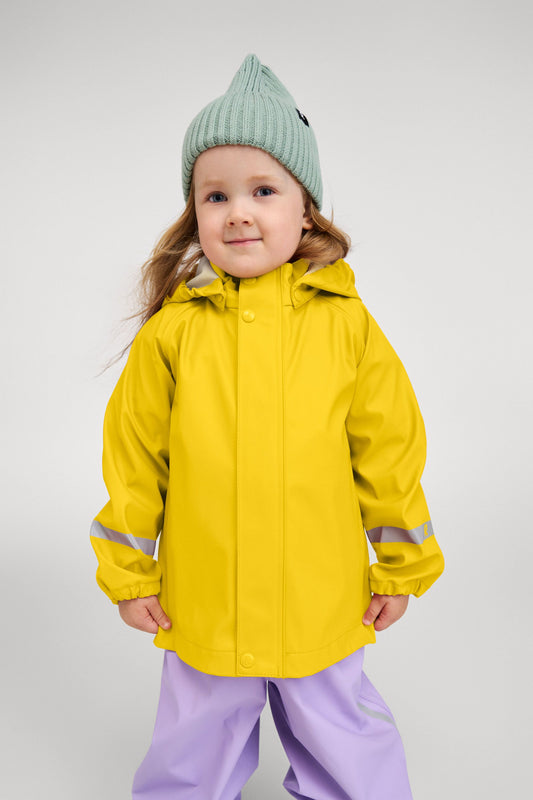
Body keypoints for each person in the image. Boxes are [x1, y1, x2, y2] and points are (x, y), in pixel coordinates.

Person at [90, 54, 444, 800]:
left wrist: (399, 564)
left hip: (320, 598)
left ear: (305, 209)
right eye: (215, 195)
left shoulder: (345, 326)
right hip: (205, 600)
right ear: (194, 213)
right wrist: (129, 573)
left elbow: (388, 450)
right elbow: (134, 460)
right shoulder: (173, 333)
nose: (238, 213)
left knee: (342, 732)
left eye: (263, 190)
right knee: (193, 738)